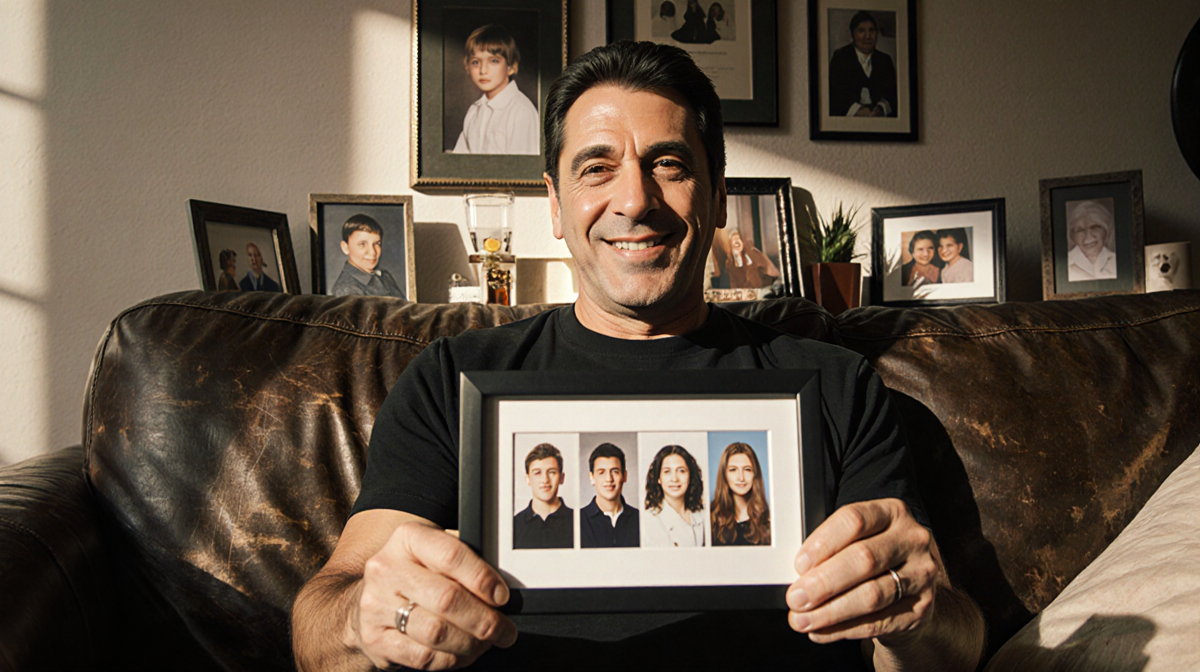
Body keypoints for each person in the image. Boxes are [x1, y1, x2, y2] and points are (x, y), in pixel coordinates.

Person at [292, 41, 985, 672]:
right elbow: (317, 636)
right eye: (597, 168)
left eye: (669, 165)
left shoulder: (837, 385)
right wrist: (362, 618)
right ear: (555, 205)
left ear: (718, 195)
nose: (634, 200)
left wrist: (920, 617)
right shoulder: (451, 381)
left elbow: (953, 650)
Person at [452, 24, 540, 156]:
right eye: (475, 62)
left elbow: (523, 166)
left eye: (493, 61)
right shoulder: (474, 111)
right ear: (467, 67)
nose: (483, 70)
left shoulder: (521, 112)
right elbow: (458, 159)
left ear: (511, 67)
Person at [828, 11, 898, 118]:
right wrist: (858, 110)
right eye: (861, 31)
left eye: (872, 30)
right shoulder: (841, 57)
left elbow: (893, 95)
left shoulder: (885, 60)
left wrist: (881, 108)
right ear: (852, 34)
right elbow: (835, 95)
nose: (867, 36)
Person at [642, 445, 707, 547]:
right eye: (667, 471)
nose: (674, 479)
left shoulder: (703, 516)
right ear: (658, 478)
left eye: (681, 471)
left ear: (690, 476)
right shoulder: (648, 522)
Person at [512, 443, 573, 549]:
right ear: (528, 479)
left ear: (561, 478)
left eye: (552, 472)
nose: (545, 480)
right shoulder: (514, 526)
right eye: (537, 473)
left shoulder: (579, 522)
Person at [331, 214, 407, 299]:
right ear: (345, 247)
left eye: (377, 243)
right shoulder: (346, 289)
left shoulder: (384, 276)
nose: (372, 252)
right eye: (362, 244)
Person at [579, 442, 640, 548]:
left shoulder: (640, 519)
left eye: (615, 471)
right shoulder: (578, 520)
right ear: (592, 477)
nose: (609, 479)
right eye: (601, 472)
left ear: (624, 476)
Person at [710, 442, 771, 546]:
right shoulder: (710, 519)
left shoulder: (770, 520)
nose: (741, 478)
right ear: (724, 475)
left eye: (747, 469)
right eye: (733, 470)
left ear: (755, 474)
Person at [1066, 200, 1118, 281]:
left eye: (1095, 228)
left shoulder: (1116, 260)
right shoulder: (1066, 263)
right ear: (1073, 235)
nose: (1088, 237)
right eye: (1080, 230)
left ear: (1105, 230)